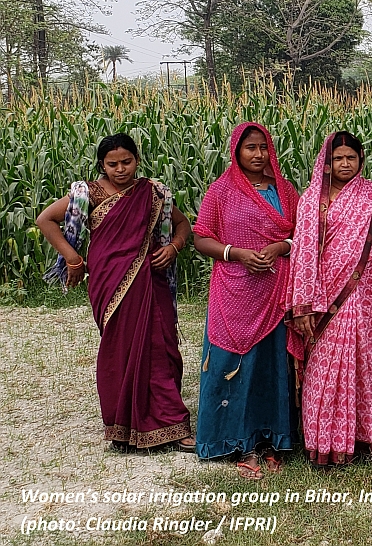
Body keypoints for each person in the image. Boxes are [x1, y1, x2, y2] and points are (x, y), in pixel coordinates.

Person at [37, 133, 194, 452]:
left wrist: (174, 247)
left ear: (137, 160)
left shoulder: (153, 192)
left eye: (127, 162)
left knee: (161, 347)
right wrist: (72, 257)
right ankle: (123, 426)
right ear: (102, 165)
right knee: (120, 348)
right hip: (110, 281)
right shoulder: (88, 193)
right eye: (113, 164)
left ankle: (172, 425)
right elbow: (46, 220)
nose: (121, 169)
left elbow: (184, 225)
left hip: (151, 278)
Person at [285, 131, 372, 466]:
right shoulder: (310, 200)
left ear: (361, 160)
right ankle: (323, 442)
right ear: (327, 162)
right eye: (339, 158)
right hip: (321, 299)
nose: (345, 163)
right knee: (323, 367)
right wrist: (303, 301)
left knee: (363, 362)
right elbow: (303, 254)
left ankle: (365, 438)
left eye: (352, 157)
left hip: (360, 293)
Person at [192, 123, 300, 479]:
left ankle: (270, 439)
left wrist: (278, 247)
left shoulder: (285, 191)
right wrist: (235, 253)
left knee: (270, 367)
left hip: (274, 292)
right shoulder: (221, 191)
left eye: (263, 147)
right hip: (234, 292)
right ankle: (235, 441)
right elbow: (201, 237)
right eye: (250, 148)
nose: (257, 155)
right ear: (236, 151)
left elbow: (301, 236)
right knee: (232, 362)